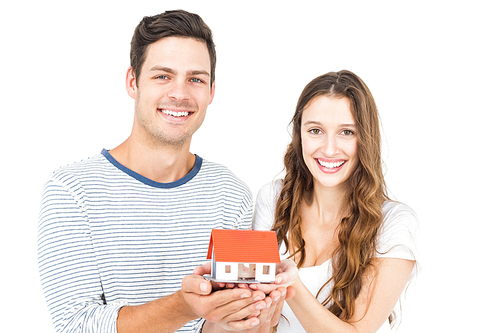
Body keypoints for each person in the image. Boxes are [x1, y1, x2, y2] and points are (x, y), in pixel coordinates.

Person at [37, 10, 295, 333]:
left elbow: (214, 327)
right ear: (133, 81)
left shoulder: (231, 194)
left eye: (196, 79)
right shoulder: (72, 192)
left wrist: (251, 321)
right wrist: (183, 306)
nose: (180, 93)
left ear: (212, 91)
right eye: (163, 76)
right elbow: (75, 326)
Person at [252, 70, 419, 333]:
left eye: (347, 132)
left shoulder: (394, 222)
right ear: (299, 135)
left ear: (366, 138)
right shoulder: (272, 199)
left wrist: (290, 282)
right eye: (316, 130)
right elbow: (260, 321)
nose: (329, 149)